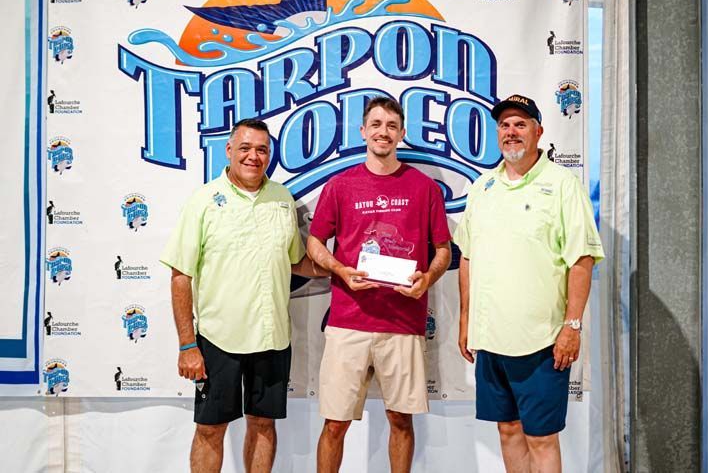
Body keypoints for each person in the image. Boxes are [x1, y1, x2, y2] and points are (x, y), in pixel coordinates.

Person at [160, 118, 322, 473]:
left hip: (272, 338)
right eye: (245, 148)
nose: (254, 156)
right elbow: (180, 276)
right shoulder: (203, 201)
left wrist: (341, 266)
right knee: (210, 428)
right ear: (229, 151)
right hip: (219, 340)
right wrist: (188, 345)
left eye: (262, 149)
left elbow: (296, 262)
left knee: (264, 424)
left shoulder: (281, 198)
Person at [454, 94, 604, 473]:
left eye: (520, 124)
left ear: (539, 131)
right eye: (504, 125)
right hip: (490, 339)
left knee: (541, 437)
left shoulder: (562, 185)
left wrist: (572, 326)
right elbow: (468, 257)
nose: (511, 132)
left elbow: (581, 260)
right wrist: (466, 319)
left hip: (542, 341)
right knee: (508, 429)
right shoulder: (482, 187)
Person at [307, 96, 452, 473]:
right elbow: (314, 242)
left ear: (401, 133)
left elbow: (443, 250)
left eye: (391, 125)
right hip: (348, 322)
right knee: (335, 423)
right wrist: (340, 270)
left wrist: (428, 278)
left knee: (401, 421)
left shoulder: (424, 188)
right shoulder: (341, 186)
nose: (382, 132)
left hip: (403, 323)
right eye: (375, 124)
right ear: (363, 131)